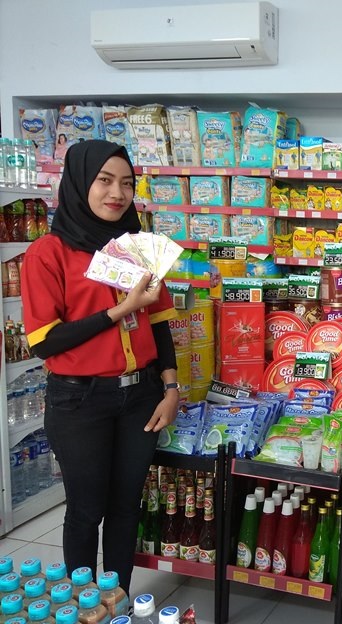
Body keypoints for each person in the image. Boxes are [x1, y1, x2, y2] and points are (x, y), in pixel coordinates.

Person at [21, 140, 179, 593]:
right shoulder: (48, 253)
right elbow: (45, 341)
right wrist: (119, 310)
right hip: (79, 400)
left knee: (126, 507)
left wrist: (171, 389)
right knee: (86, 510)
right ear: (78, 183)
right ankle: (85, 606)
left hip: (141, 396)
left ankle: (119, 602)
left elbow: (159, 325)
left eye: (127, 184)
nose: (117, 193)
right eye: (104, 181)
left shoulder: (138, 248)